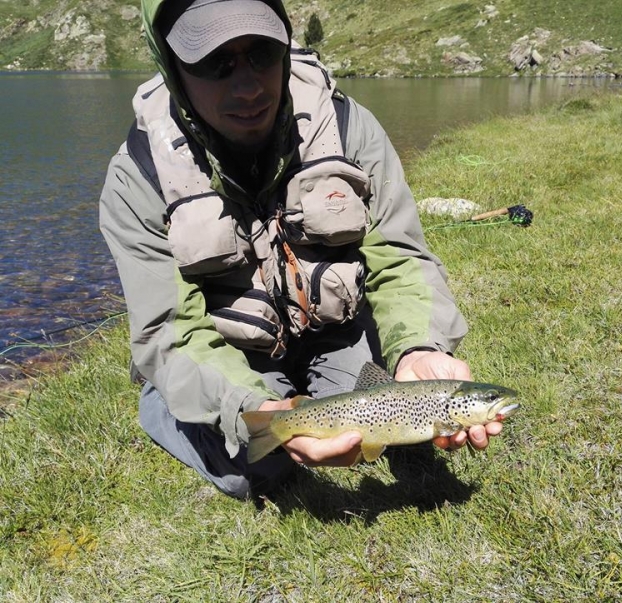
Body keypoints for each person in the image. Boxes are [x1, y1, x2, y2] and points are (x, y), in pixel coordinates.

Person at [99, 0, 503, 499]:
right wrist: (259, 410)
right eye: (214, 63)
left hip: (327, 329)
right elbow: (170, 330)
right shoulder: (137, 176)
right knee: (257, 472)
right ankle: (162, 404)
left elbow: (399, 258)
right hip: (229, 351)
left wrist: (419, 348)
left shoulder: (349, 129)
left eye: (263, 54)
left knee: (374, 433)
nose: (247, 87)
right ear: (171, 66)